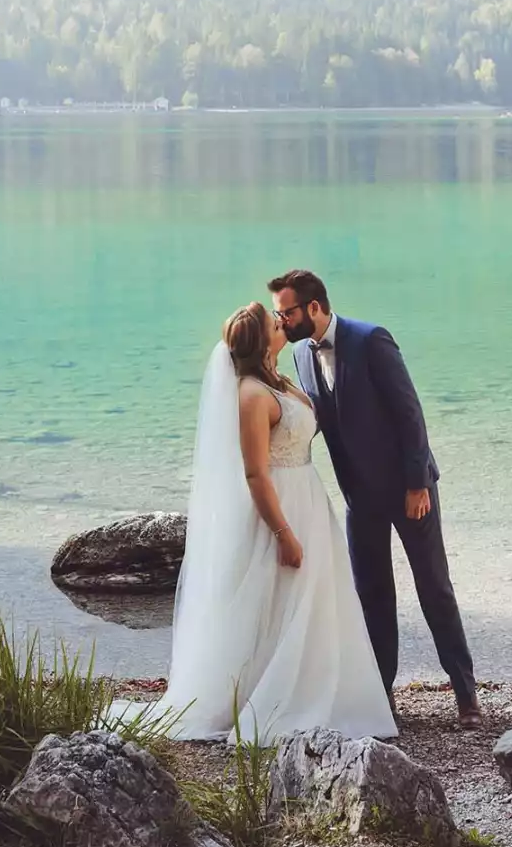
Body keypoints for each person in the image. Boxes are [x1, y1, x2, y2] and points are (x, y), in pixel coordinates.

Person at [139, 301, 394, 741]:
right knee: (282, 601)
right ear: (262, 343)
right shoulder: (252, 396)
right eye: (273, 323)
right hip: (281, 508)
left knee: (317, 599)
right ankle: (273, 699)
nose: (281, 323)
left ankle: (327, 689)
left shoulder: (279, 380)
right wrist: (283, 534)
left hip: (308, 497)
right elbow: (255, 472)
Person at [270, 269, 480, 729]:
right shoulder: (302, 355)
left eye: (287, 312)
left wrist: (417, 484)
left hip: (409, 490)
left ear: (314, 307)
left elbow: (409, 414)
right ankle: (381, 695)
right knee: (372, 596)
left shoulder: (370, 341)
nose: (281, 321)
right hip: (359, 497)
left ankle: (466, 695)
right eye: (277, 314)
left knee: (434, 588)